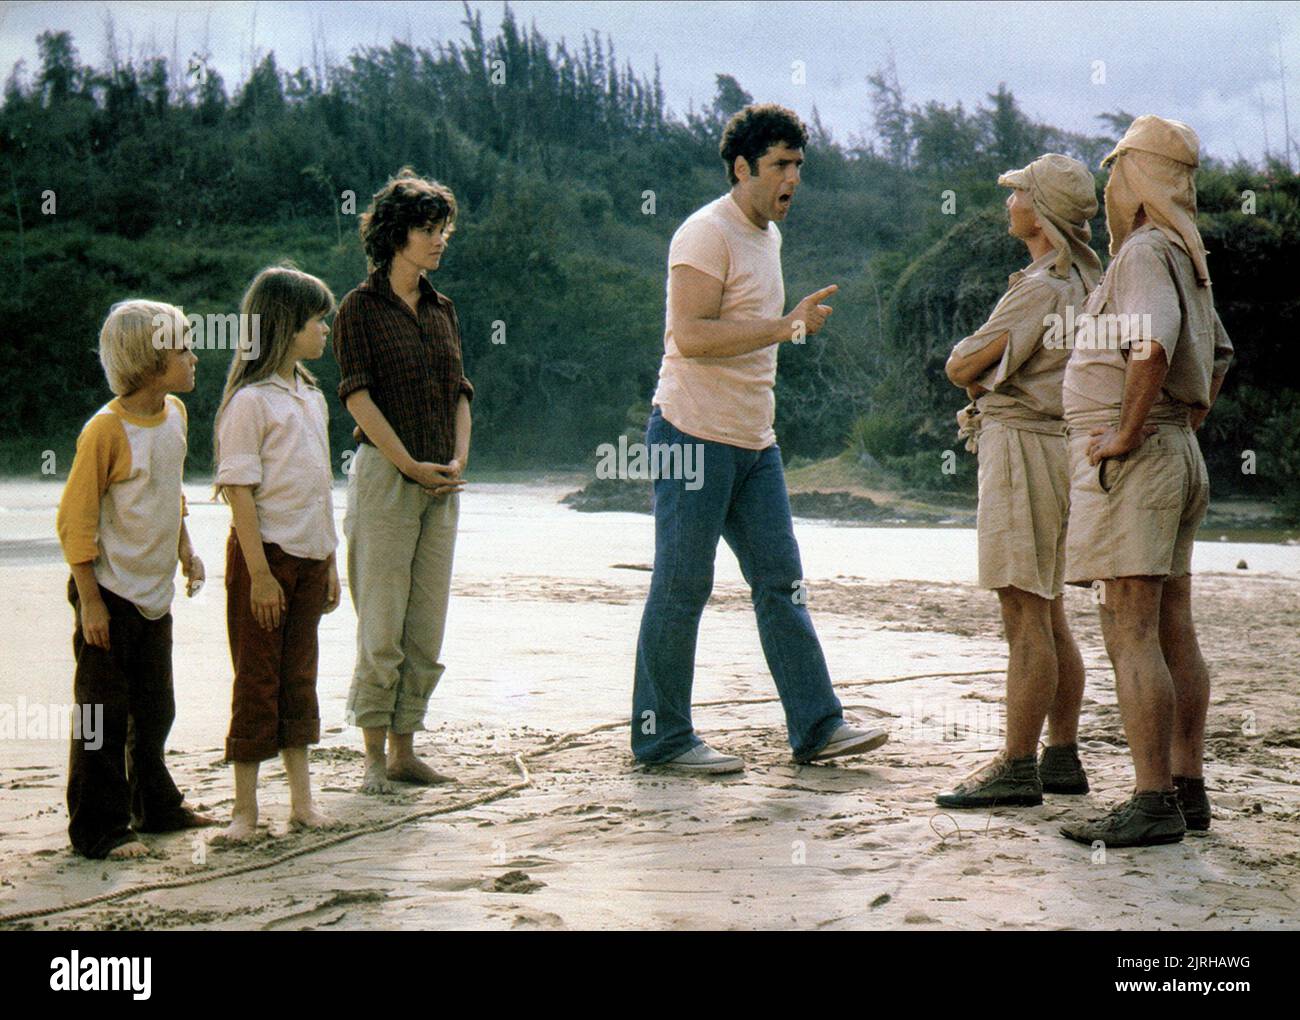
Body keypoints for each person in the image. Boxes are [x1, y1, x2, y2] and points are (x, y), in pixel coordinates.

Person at [631, 103, 888, 773]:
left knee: (782, 583)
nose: (793, 178)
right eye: (779, 164)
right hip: (689, 433)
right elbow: (690, 335)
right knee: (682, 585)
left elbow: (747, 335)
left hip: (754, 440)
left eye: (798, 164)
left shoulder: (768, 237)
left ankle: (818, 728)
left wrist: (786, 329)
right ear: (741, 168)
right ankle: (662, 740)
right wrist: (783, 326)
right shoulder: (703, 235)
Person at [1057, 116, 1233, 848]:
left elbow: (1152, 344)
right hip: (1175, 457)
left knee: (1130, 629)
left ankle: (1153, 798)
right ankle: (1186, 790)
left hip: (1137, 460)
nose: (1106, 182)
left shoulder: (1140, 253)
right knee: (1173, 626)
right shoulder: (1188, 253)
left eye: (1115, 167)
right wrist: (1176, 425)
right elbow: (1217, 358)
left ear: (1137, 174)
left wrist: (1128, 433)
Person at [936, 154, 1100, 809]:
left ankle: (1016, 765)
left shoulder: (1042, 285)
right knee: (1051, 608)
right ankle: (1060, 756)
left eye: (1018, 193)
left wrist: (971, 371)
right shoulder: (1092, 277)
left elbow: (961, 364)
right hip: (1064, 447)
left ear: (1041, 208)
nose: (1009, 202)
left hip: (1022, 447)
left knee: (1024, 613)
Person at [55, 300, 213, 859]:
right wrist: (91, 603)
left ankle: (155, 807)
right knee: (101, 714)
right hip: (107, 594)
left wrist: (186, 550)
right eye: (183, 349)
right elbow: (75, 521)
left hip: (153, 593)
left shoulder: (175, 414)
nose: (195, 358)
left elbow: (169, 493)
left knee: (156, 707)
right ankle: (98, 828)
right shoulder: (105, 431)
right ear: (148, 360)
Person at [333, 168, 473, 793]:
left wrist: (459, 459)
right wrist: (408, 464)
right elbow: (357, 399)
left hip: (442, 484)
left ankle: (404, 750)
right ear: (395, 234)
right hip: (386, 480)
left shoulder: (444, 309)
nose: (439, 239)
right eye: (427, 229)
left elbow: (460, 393)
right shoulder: (358, 309)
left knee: (426, 624)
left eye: (443, 228)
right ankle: (370, 759)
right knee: (381, 622)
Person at [213, 266, 342, 841]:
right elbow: (238, 492)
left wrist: (331, 560)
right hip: (263, 559)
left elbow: (320, 490)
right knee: (257, 678)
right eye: (318, 320)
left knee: (300, 677)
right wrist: (261, 577)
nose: (326, 330)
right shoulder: (250, 402)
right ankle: (245, 810)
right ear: (287, 326)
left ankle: (302, 802)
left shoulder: (311, 397)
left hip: (311, 558)